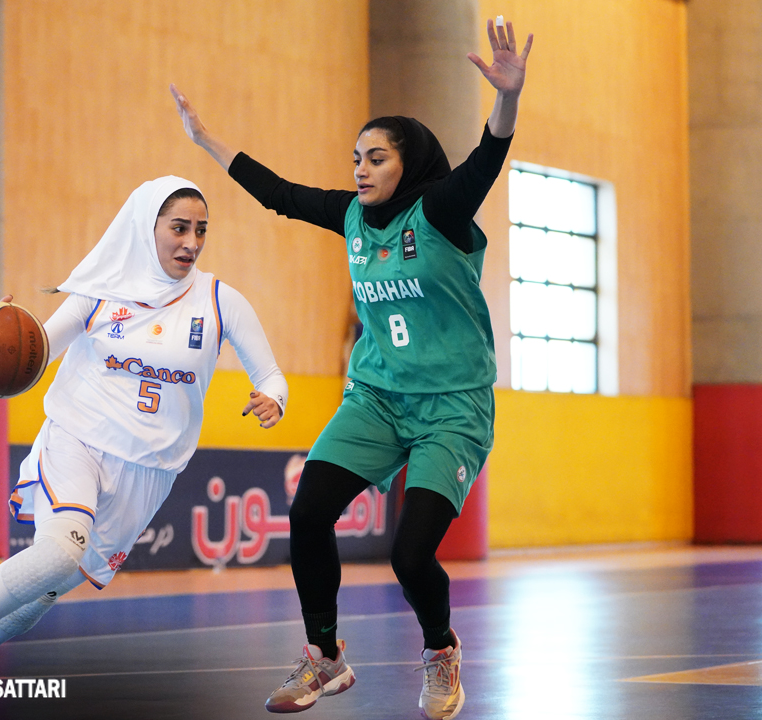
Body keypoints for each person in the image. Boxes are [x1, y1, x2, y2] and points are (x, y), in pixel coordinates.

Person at [172, 17, 532, 720]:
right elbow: (279, 193)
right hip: (376, 398)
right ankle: (325, 657)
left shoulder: (440, 211)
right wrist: (206, 139)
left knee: (410, 555)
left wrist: (508, 97)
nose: (359, 169)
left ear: (409, 164)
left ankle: (440, 649)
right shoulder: (351, 219)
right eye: (356, 158)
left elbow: (487, 157)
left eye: (375, 157)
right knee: (308, 512)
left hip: (452, 408)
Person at [0, 176, 288, 720]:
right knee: (60, 552)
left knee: (45, 594)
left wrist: (274, 399)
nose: (191, 242)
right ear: (146, 227)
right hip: (78, 438)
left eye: (201, 230)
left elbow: (271, 375)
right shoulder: (99, 291)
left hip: (149, 473)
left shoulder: (221, 301)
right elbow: (35, 352)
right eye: (179, 228)